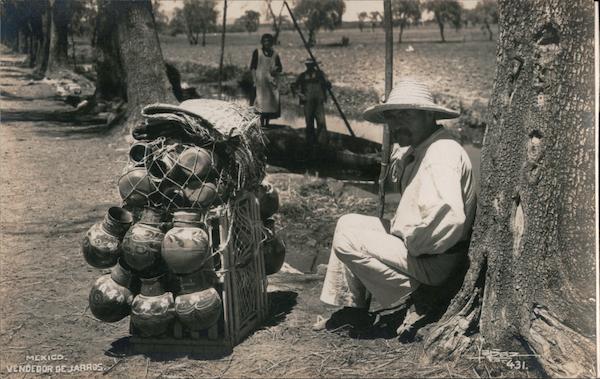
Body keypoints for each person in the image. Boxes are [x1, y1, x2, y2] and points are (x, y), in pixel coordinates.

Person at [313, 78, 477, 332]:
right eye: (393, 117)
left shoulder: (440, 155)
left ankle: (421, 297)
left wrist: (411, 243)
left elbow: (448, 217)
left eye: (406, 115)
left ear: (428, 116)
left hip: (433, 259)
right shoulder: (425, 146)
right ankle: (353, 309)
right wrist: (405, 154)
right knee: (347, 223)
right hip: (421, 247)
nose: (397, 124)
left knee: (349, 242)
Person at [291, 58, 332, 155]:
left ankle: (322, 144)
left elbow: (328, 85)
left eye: (311, 65)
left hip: (319, 102)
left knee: (321, 122)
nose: (310, 67)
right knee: (309, 122)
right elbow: (294, 86)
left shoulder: (320, 74)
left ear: (314, 65)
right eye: (308, 65)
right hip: (307, 102)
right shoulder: (302, 76)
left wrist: (327, 83)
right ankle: (310, 143)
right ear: (306, 66)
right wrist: (300, 95)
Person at [250, 33, 282, 127]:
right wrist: (254, 80)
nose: (267, 43)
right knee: (260, 101)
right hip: (260, 81)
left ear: (272, 43)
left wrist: (276, 69)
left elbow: (280, 67)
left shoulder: (275, 54)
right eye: (265, 41)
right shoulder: (257, 52)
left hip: (270, 81)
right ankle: (261, 123)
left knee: (271, 101)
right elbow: (252, 67)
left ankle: (267, 123)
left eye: (269, 41)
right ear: (262, 42)